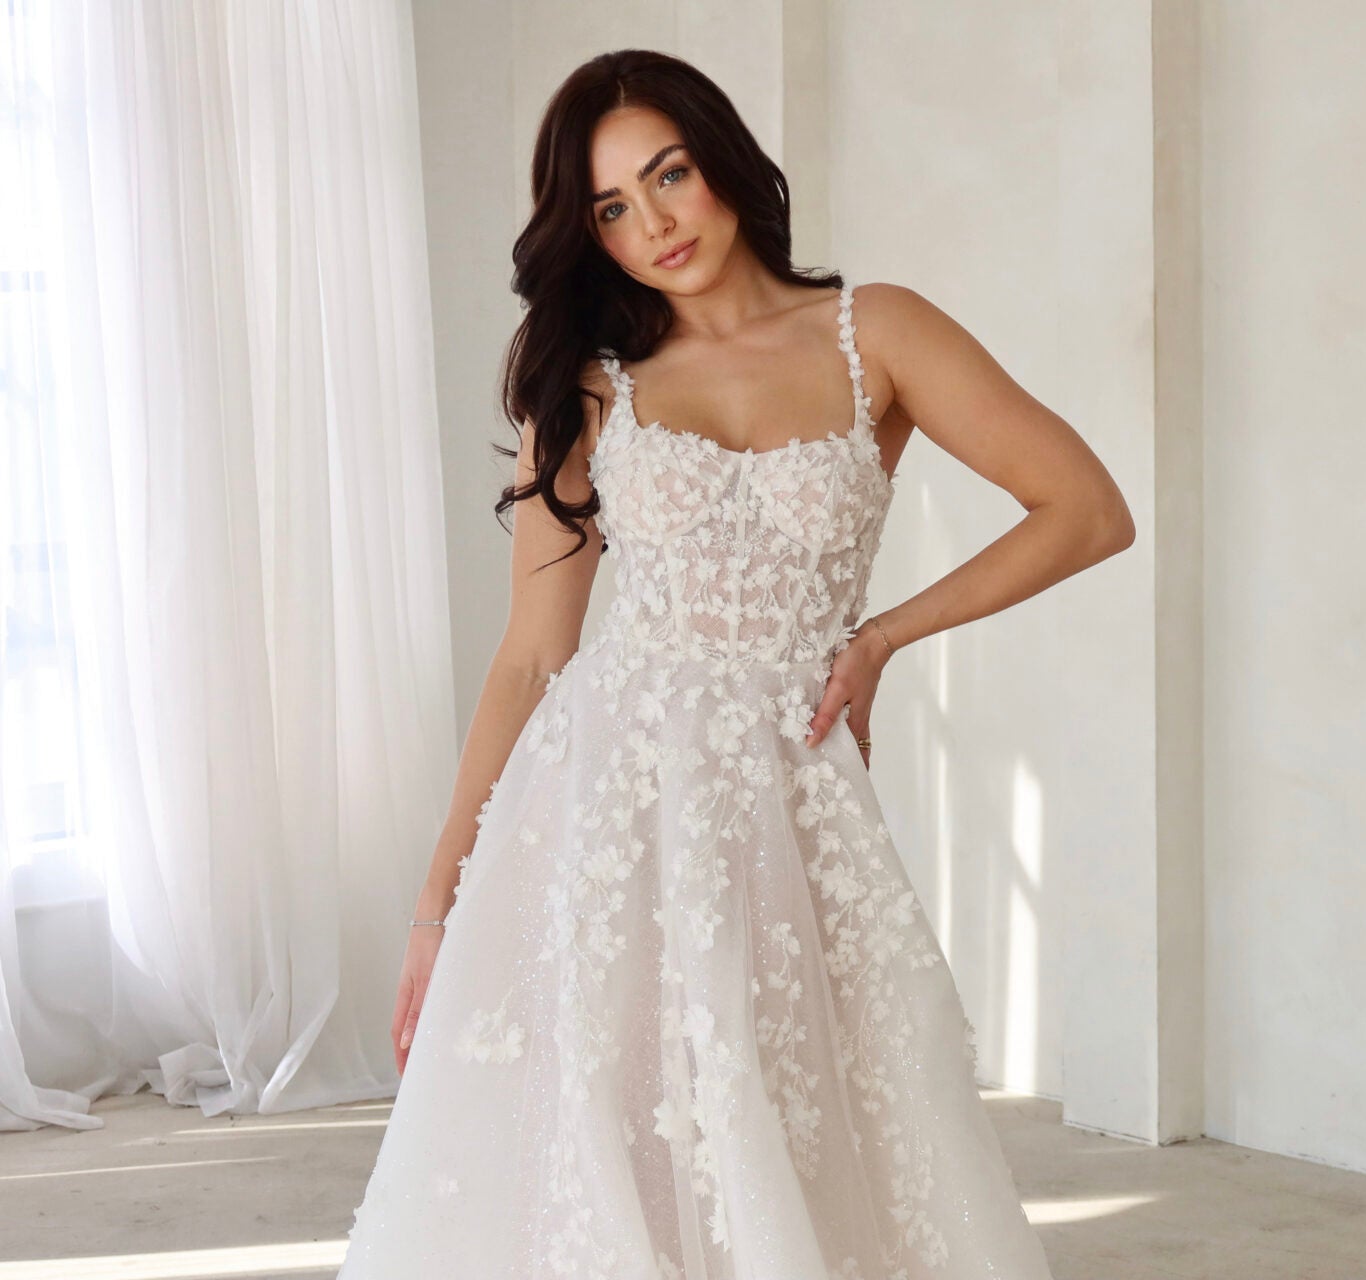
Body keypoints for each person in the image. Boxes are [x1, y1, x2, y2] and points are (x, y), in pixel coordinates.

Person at [338, 48, 1132, 1280]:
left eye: (670, 175)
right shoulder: (589, 385)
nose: (653, 223)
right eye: (611, 207)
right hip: (604, 808)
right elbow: (532, 656)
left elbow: (1085, 508)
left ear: (724, 162)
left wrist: (880, 637)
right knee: (608, 1143)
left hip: (788, 802)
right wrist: (438, 902)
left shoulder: (882, 334)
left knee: (799, 1127)